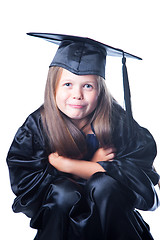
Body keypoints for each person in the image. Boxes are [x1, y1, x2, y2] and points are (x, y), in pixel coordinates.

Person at [7, 32, 159, 240]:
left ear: (100, 90)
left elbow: (138, 177)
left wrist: (70, 166)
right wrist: (95, 168)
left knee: (104, 185)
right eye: (68, 84)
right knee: (63, 193)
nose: (77, 95)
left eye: (88, 86)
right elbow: (30, 189)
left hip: (115, 223)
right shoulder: (37, 127)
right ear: (53, 87)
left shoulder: (117, 123)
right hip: (61, 225)